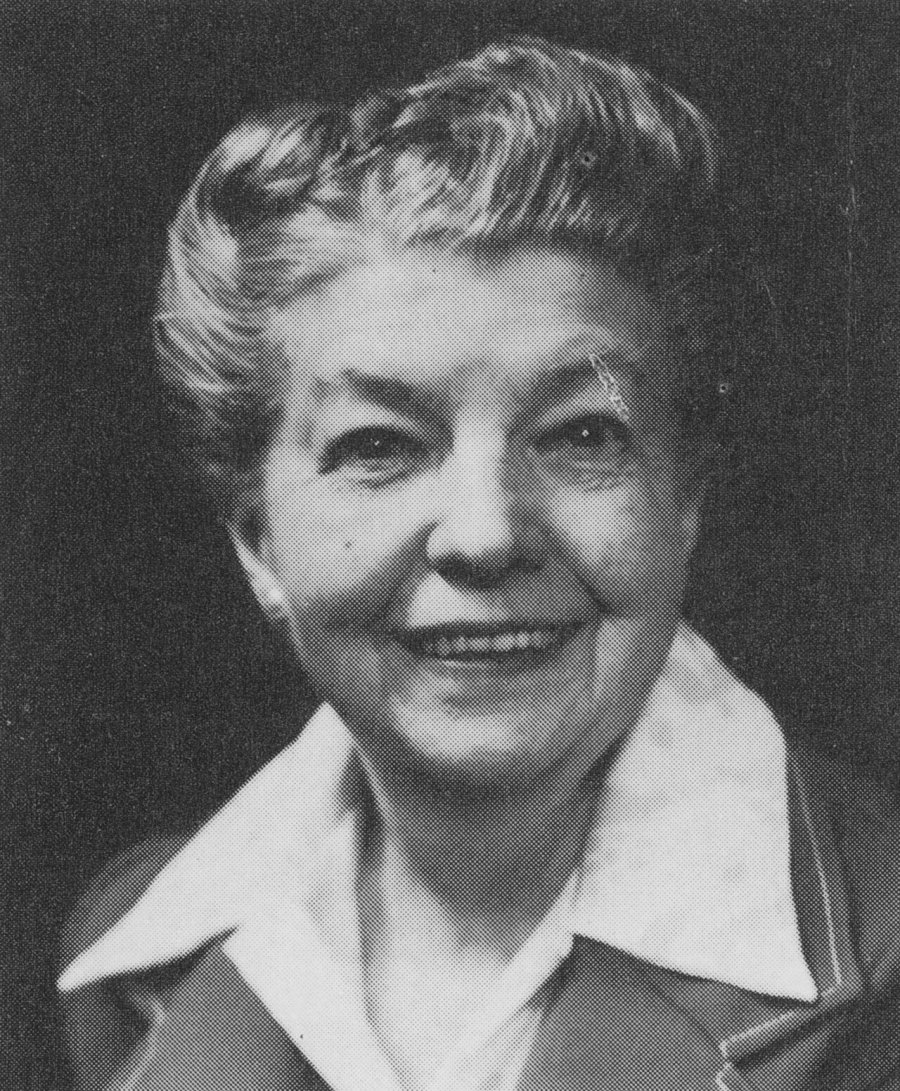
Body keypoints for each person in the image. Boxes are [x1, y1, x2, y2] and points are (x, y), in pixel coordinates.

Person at [56, 36, 900, 1091]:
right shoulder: (138, 964)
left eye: (581, 433)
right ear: (257, 539)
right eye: (379, 444)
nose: (485, 533)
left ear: (683, 497)